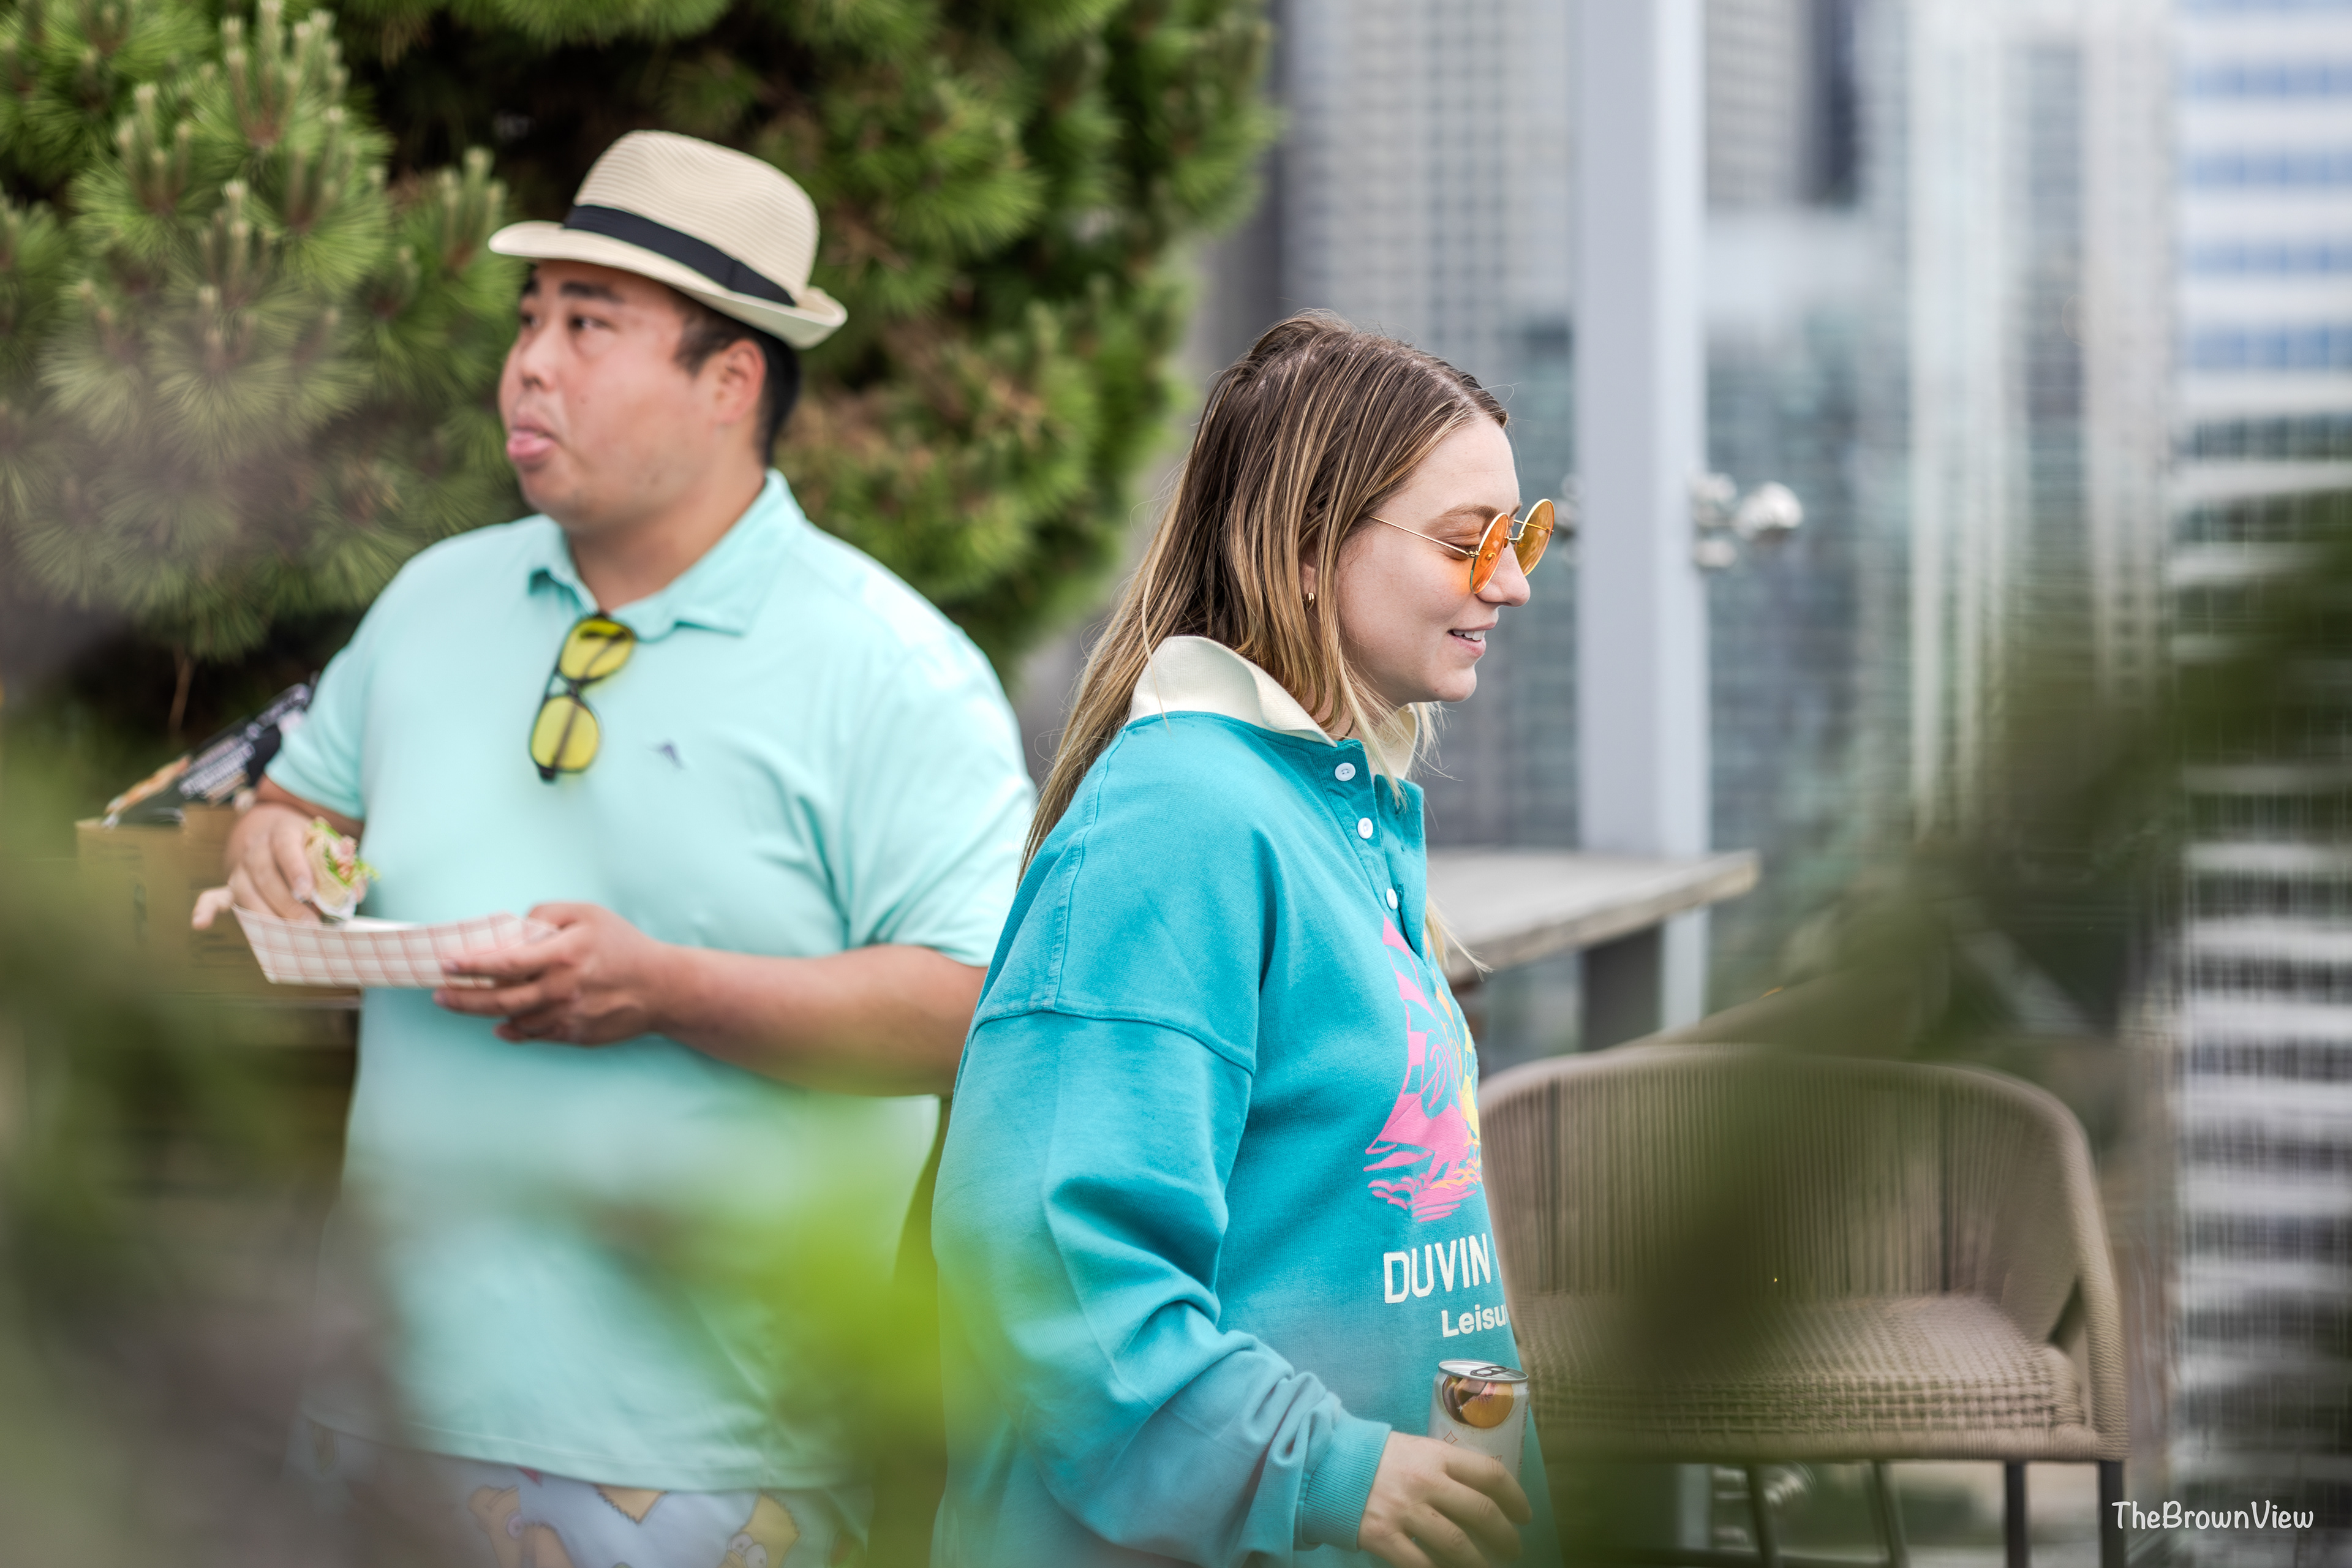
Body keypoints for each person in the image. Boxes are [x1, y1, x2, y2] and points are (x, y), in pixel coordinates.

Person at [203, 131, 1034, 1566]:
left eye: (588, 325)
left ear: (731, 381)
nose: (529, 365)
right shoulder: (432, 599)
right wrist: (275, 843)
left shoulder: (896, 668)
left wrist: (665, 988)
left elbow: (981, 1007)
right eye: (529, 319)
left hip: (713, 1451)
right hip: (373, 1405)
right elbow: (299, 809)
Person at [930, 312, 1565, 1567]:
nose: (1512, 582)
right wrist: (1322, 1469)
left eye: (1523, 534)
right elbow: (1050, 1267)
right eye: (1467, 541)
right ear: (1310, 546)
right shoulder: (1176, 824)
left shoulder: (1327, 813)